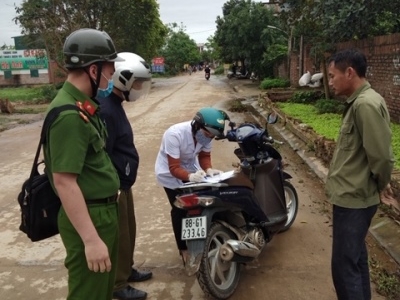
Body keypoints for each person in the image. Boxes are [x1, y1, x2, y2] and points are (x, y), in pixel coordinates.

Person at [43, 28, 124, 300]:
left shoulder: (82, 106)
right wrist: (90, 239)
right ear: (93, 70)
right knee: (88, 294)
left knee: (100, 291)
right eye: (109, 71)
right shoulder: (69, 115)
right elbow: (64, 182)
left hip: (101, 212)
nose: (111, 78)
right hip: (90, 217)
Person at [326, 48, 395, 300]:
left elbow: (382, 156)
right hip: (351, 197)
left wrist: (382, 183)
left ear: (350, 72)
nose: (330, 81)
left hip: (354, 200)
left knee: (344, 269)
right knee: (355, 261)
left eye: (333, 76)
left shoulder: (365, 104)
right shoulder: (359, 103)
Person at [98, 52, 152, 300]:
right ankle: (118, 285)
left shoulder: (115, 105)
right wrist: (115, 186)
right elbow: (104, 155)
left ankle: (126, 270)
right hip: (115, 185)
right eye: (137, 83)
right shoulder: (107, 110)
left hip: (124, 182)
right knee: (119, 236)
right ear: (124, 80)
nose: (139, 88)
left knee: (129, 230)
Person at [154, 107, 230, 264]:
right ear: (196, 126)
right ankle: (183, 249)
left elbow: (204, 155)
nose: (208, 138)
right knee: (180, 208)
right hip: (169, 175)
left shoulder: (207, 136)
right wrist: (189, 176)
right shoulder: (174, 134)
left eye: (212, 137)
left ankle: (204, 238)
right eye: (207, 134)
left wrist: (208, 169)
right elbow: (174, 167)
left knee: (204, 202)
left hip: (191, 168)